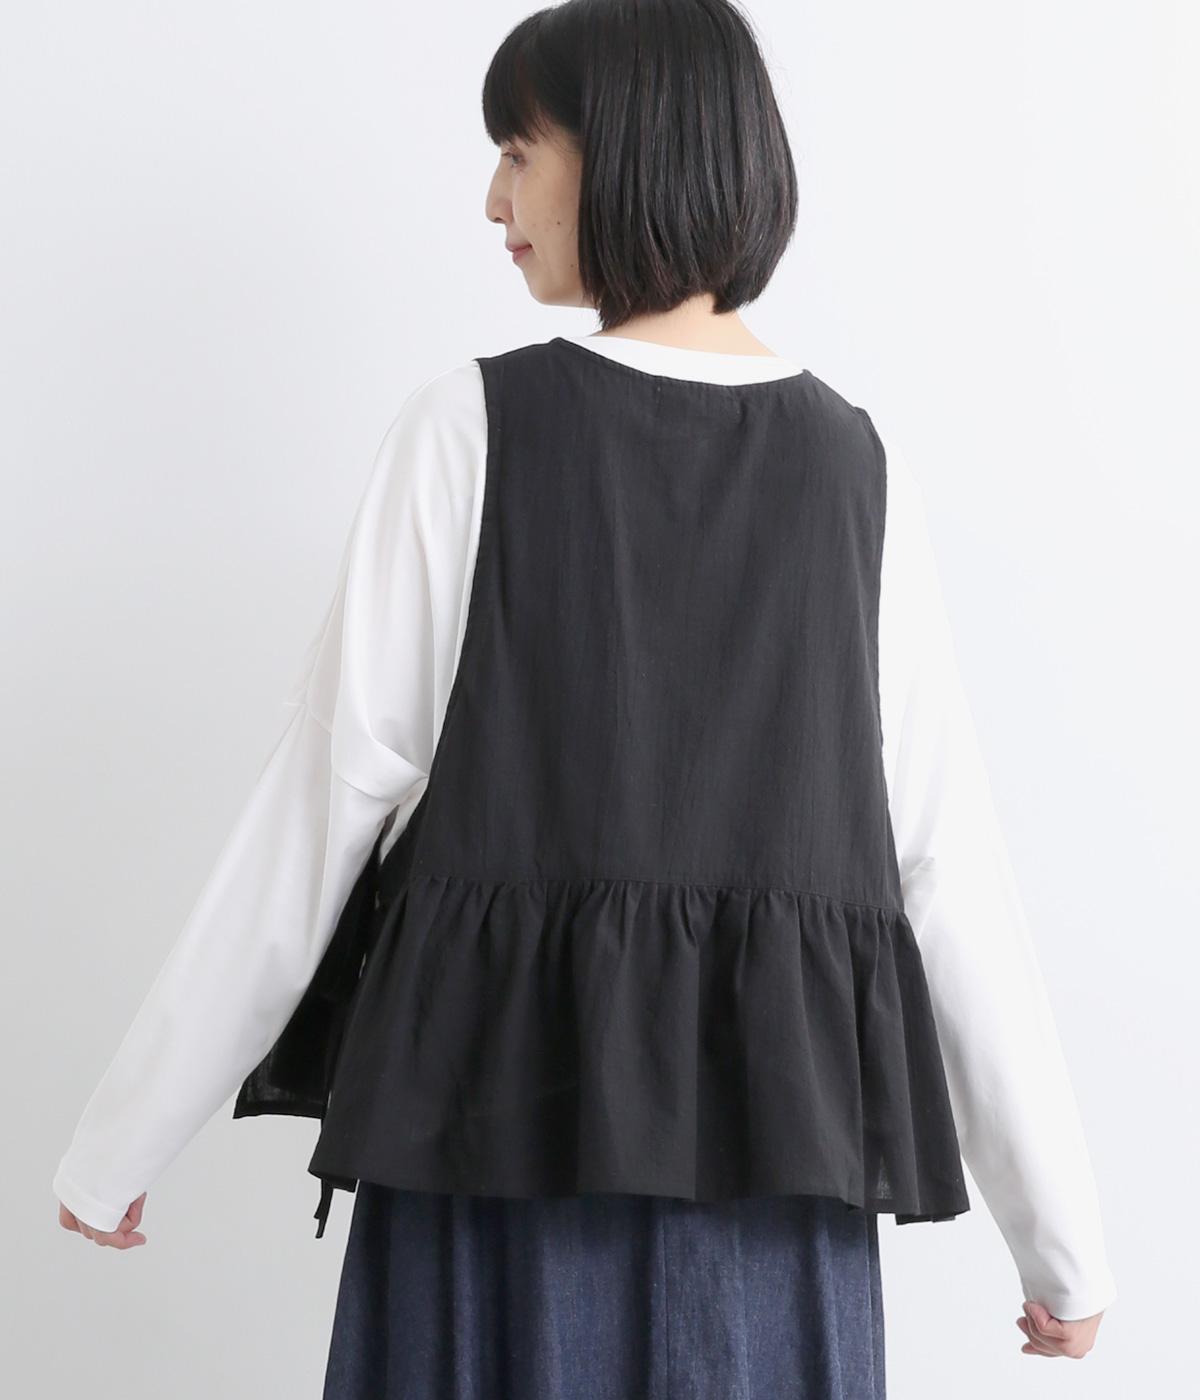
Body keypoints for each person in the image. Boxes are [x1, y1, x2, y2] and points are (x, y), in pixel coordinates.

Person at [54, 0, 1116, 1391]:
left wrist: (121, 1139)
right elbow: (945, 866)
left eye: (519, 151)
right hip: (768, 1192)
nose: (493, 199)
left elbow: (321, 806)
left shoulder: (471, 428)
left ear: (627, 153)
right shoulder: (853, 467)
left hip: (494, 1166)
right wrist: (1063, 1245)